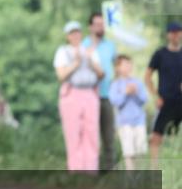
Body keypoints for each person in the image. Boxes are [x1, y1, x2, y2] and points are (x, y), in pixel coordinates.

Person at [53, 20, 104, 172]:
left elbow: (101, 74)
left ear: (81, 34)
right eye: (71, 33)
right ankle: (75, 170)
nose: (75, 35)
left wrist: (88, 60)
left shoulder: (90, 51)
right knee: (73, 132)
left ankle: (91, 170)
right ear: (67, 36)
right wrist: (76, 62)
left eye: (77, 32)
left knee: (92, 132)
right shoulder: (63, 51)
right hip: (72, 93)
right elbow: (61, 76)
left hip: (90, 92)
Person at [83, 12, 118, 171]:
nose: (100, 27)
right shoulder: (83, 45)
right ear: (90, 26)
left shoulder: (110, 45)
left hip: (107, 96)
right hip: (88, 96)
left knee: (109, 137)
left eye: (102, 24)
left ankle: (109, 172)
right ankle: (90, 171)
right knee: (90, 136)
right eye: (97, 24)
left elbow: (117, 67)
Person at [145, 21, 182, 167]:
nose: (176, 35)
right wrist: (155, 96)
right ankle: (155, 168)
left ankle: (175, 167)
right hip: (165, 100)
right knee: (156, 136)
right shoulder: (160, 54)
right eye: (173, 32)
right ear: (168, 35)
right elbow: (147, 76)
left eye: (178, 32)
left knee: (175, 137)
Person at [108, 55, 148, 172]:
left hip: (139, 121)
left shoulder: (137, 82)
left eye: (129, 64)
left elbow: (144, 99)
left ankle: (140, 177)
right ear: (118, 67)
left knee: (140, 151)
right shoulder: (116, 84)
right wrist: (125, 92)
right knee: (129, 152)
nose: (128, 66)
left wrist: (135, 93)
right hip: (124, 123)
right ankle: (131, 179)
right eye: (125, 64)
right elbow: (115, 101)